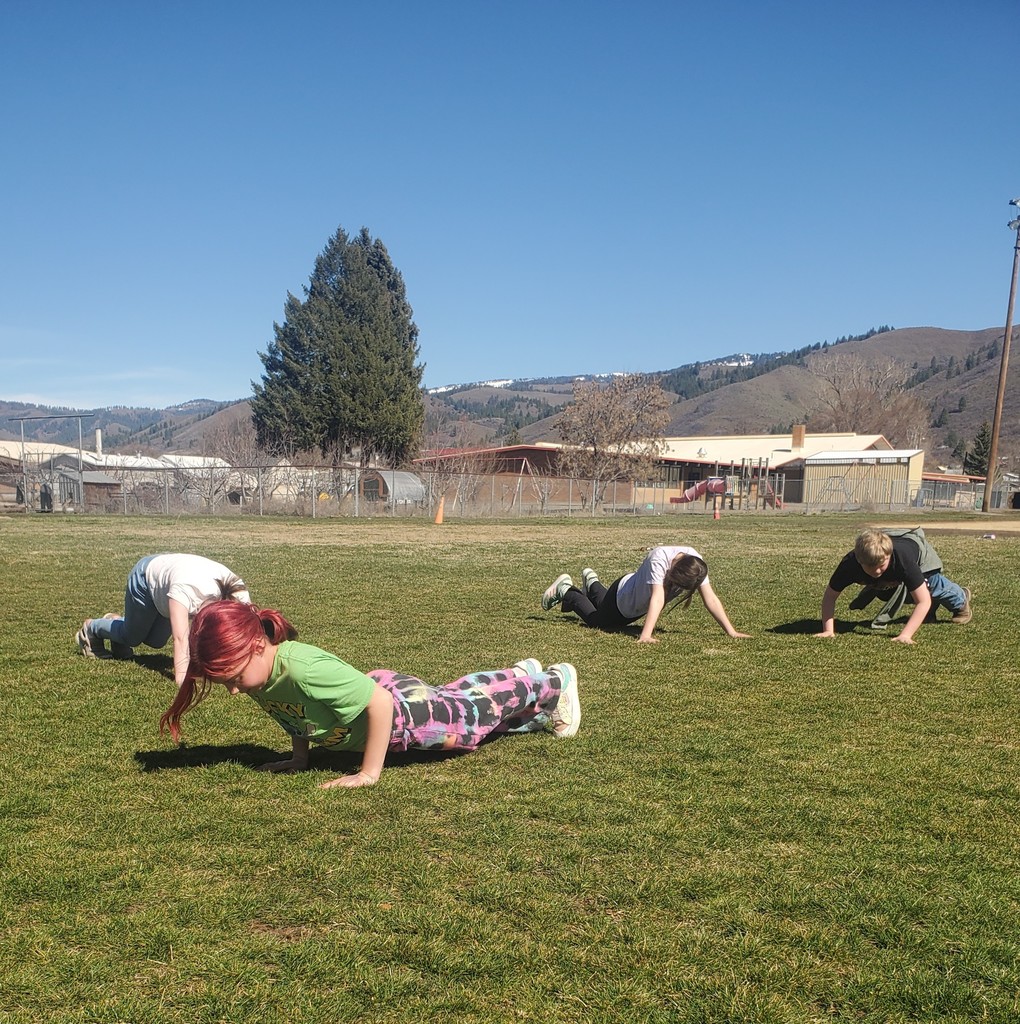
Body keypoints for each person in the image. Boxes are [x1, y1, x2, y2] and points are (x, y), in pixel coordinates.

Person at [159, 600, 580, 789]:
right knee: (458, 697)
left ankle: (553, 683)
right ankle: (517, 674)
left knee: (473, 720)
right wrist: (300, 759)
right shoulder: (257, 673)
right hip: (386, 696)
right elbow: (295, 714)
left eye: (232, 677)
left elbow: (378, 704)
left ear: (254, 646)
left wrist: (368, 774)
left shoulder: (303, 668)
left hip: (403, 714)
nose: (232, 690)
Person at [75, 553, 251, 685]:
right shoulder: (184, 590)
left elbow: (247, 628)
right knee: (133, 638)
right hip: (145, 580)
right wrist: (182, 677)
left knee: (156, 641)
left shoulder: (237, 594)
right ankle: (92, 629)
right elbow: (180, 638)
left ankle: (120, 625)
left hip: (169, 575)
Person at [541, 545, 749, 643]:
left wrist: (731, 631)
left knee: (603, 605)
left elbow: (710, 598)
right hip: (623, 598)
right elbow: (658, 597)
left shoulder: (695, 565)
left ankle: (592, 582)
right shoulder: (660, 558)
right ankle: (567, 591)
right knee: (599, 622)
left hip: (634, 603)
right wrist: (645, 636)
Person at [816, 527, 972, 645]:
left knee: (932, 585)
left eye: (881, 565)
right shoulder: (849, 564)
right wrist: (828, 631)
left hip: (917, 554)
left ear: (888, 556)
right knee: (887, 592)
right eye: (870, 567)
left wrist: (905, 635)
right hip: (893, 562)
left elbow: (923, 601)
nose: (876, 571)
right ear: (859, 560)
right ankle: (929, 613)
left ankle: (961, 599)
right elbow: (830, 596)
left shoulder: (902, 561)